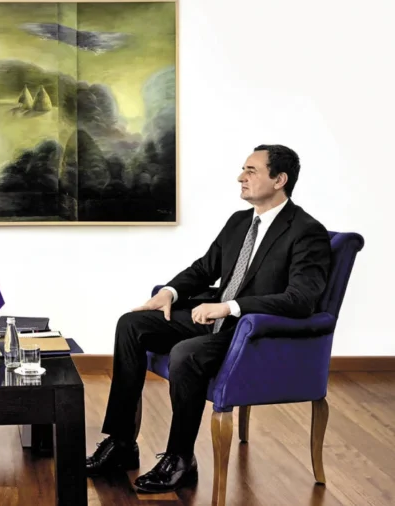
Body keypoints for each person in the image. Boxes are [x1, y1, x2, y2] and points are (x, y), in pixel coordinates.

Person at [85, 144, 331, 493]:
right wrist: (169, 292)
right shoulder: (239, 222)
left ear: (280, 180)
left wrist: (231, 307)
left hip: (253, 334)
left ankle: (180, 458)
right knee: (132, 324)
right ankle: (122, 442)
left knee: (186, 352)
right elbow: (204, 268)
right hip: (216, 320)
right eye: (243, 169)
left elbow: (301, 300)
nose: (240, 177)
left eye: (251, 171)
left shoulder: (306, 231)